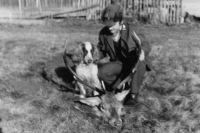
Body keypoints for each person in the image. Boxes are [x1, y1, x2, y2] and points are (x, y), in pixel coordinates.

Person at [97, 3, 152, 105]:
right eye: (107, 24)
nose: (109, 28)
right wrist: (92, 58)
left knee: (140, 59)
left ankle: (133, 94)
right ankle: (122, 88)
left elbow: (146, 44)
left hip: (135, 61)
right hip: (119, 63)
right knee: (102, 72)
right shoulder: (103, 34)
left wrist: (142, 51)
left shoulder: (132, 29)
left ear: (120, 21)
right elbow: (100, 50)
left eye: (112, 25)